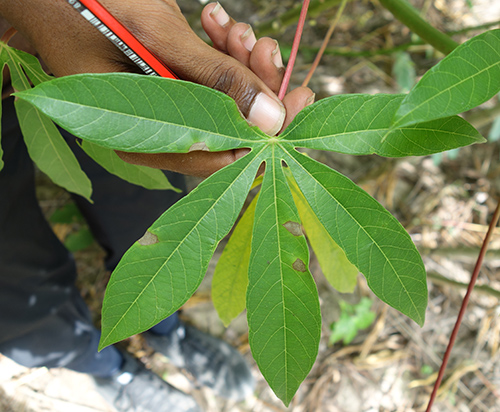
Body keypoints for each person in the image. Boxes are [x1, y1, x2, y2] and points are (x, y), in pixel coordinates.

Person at [0, 1, 314, 411]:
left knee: (148, 202)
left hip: (64, 45)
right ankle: (106, 367)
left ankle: (161, 325)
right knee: (9, 269)